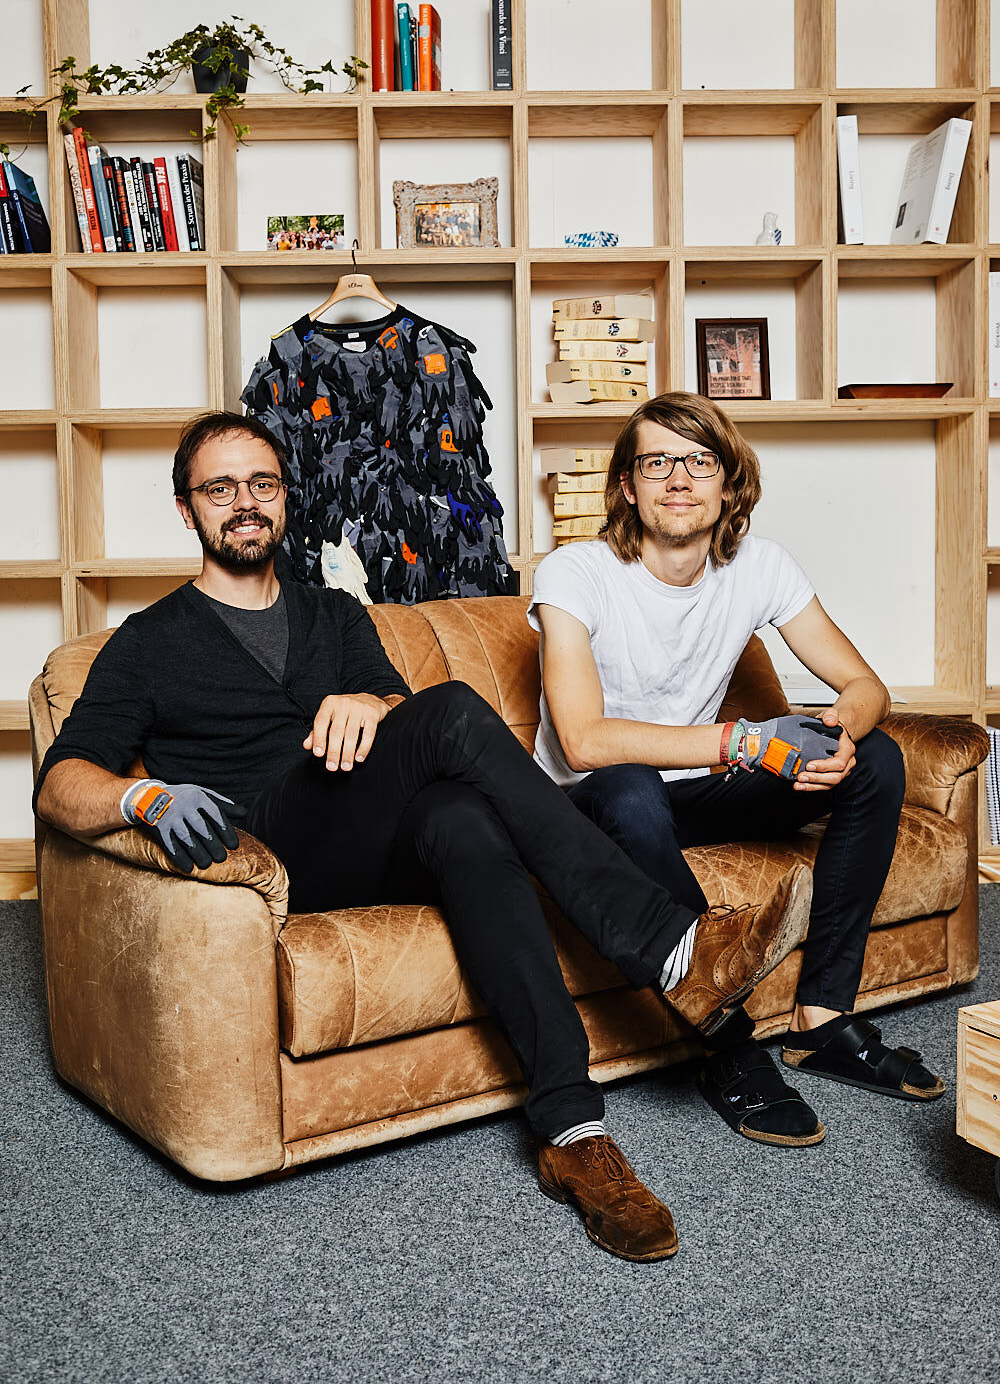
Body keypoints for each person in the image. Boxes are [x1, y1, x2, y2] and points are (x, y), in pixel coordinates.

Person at [34, 409, 810, 1263]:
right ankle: (669, 946)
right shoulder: (147, 643)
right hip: (270, 847)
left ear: (285, 499)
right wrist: (145, 799)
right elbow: (61, 784)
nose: (245, 503)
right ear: (189, 511)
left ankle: (573, 1133)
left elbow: (402, 718)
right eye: (220, 489)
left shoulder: (332, 614)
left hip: (371, 836)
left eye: (262, 484)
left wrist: (374, 704)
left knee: (463, 817)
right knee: (450, 712)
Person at [529, 392, 944, 1151]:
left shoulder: (760, 565)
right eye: (656, 461)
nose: (678, 478)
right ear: (627, 485)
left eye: (699, 461)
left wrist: (840, 737)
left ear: (729, 484)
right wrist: (748, 742)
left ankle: (823, 1018)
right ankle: (728, 1046)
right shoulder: (575, 572)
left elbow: (866, 688)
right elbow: (585, 742)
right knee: (628, 788)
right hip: (592, 807)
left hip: (696, 790)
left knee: (876, 758)